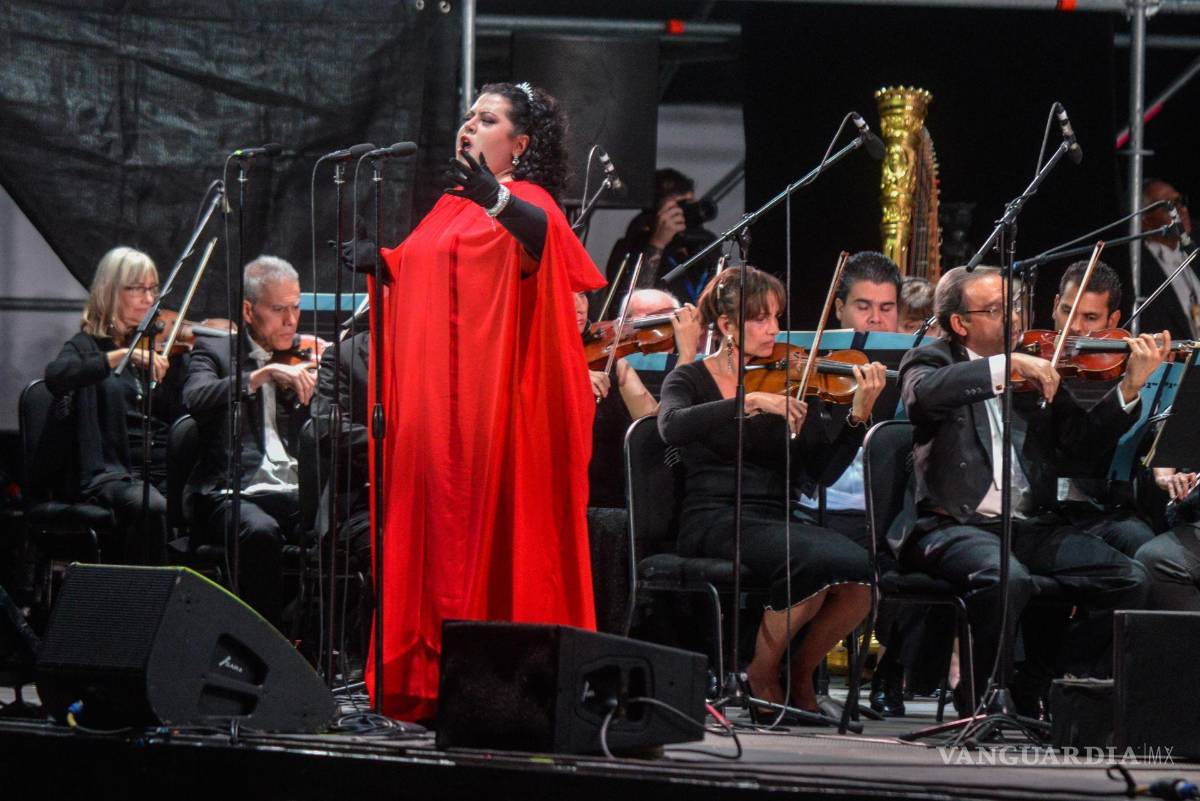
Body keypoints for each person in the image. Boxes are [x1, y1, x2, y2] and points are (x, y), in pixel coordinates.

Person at [368, 82, 605, 722]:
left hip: (501, 411)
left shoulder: (527, 201)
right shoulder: (448, 206)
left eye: (487, 118)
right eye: (469, 115)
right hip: (444, 414)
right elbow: (432, 275)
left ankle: (504, 688)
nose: (468, 126)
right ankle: (426, 683)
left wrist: (492, 197)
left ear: (519, 145)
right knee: (437, 542)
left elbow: (539, 241)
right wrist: (383, 265)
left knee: (498, 544)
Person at [893, 266, 1164, 714]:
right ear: (961, 323)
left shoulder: (1040, 366)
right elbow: (922, 398)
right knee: (1005, 578)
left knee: (1129, 580)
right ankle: (979, 702)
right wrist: (1004, 365)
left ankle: (1050, 686)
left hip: (1027, 525)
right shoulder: (932, 360)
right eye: (998, 311)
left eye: (1015, 307)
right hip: (951, 525)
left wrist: (1129, 388)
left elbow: (1079, 447)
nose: (1015, 319)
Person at [658, 265, 887, 716]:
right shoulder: (691, 380)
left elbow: (821, 472)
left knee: (862, 574)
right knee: (813, 560)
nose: (774, 330)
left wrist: (857, 417)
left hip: (776, 515)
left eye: (776, 317)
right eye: (760, 319)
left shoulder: (795, 379)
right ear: (726, 327)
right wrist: (747, 402)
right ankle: (760, 670)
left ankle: (799, 671)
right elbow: (670, 427)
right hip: (714, 516)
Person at [183, 255, 316, 630]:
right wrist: (259, 376)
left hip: (289, 490)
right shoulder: (214, 353)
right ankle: (264, 645)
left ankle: (318, 643)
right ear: (248, 310)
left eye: (296, 308)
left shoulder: (302, 357)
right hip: (230, 493)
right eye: (278, 310)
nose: (291, 321)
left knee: (346, 528)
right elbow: (196, 398)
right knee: (260, 532)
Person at [44, 246, 178, 564]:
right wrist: (118, 356)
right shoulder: (86, 346)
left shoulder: (147, 344)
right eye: (136, 289)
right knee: (152, 506)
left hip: (151, 468)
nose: (149, 299)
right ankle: (140, 602)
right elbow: (56, 375)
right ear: (110, 291)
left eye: (153, 289)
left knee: (203, 501)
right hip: (107, 473)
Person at [1046, 260, 1155, 558]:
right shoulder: (1029, 364)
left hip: (1105, 509)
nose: (1076, 327)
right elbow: (1076, 444)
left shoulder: (1119, 370)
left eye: (1090, 317)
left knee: (1148, 544)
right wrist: (1128, 390)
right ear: (1055, 305)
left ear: (1113, 320)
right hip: (1046, 512)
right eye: (1068, 311)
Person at [603, 168, 719, 306]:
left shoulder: (703, 242)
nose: (689, 212)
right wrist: (657, 244)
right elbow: (629, 306)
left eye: (692, 204)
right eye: (682, 206)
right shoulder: (631, 247)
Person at [1137, 179, 1199, 339]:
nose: (1181, 210)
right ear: (1145, 220)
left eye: (1180, 202)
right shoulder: (1138, 267)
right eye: (1169, 206)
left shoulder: (1194, 245)